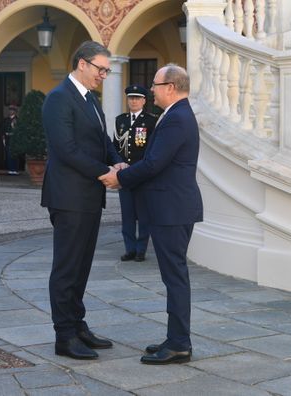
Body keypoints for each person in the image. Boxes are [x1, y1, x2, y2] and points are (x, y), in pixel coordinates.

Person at [99, 64, 203, 365]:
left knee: (175, 278)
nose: (151, 90)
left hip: (172, 209)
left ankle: (180, 344)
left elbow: (155, 163)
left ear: (170, 87)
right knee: (174, 276)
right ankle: (175, 338)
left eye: (155, 85)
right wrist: (128, 169)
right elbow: (156, 162)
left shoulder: (176, 118)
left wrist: (122, 177)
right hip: (171, 207)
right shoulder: (175, 115)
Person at [41, 40, 126, 360]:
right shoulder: (58, 99)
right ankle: (64, 335)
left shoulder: (90, 99)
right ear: (82, 64)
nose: (104, 75)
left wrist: (117, 161)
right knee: (66, 268)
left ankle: (77, 325)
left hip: (89, 196)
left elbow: (102, 140)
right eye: (101, 69)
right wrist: (106, 172)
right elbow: (66, 150)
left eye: (107, 70)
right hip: (68, 196)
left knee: (82, 266)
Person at [113, 85, 157, 262]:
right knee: (127, 214)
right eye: (131, 98)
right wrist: (117, 163)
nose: (134, 101)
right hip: (124, 174)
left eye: (138, 98)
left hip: (142, 175)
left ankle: (141, 249)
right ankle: (129, 249)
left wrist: (140, 169)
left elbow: (152, 150)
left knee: (144, 215)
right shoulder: (120, 120)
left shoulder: (151, 121)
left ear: (144, 101)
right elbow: (116, 146)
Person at [1, 103, 20, 175]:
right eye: (10, 110)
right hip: (7, 139)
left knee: (14, 155)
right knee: (8, 155)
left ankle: (15, 169)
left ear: (15, 111)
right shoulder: (6, 120)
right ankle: (10, 169)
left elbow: (19, 130)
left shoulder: (17, 120)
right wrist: (3, 138)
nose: (11, 111)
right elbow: (3, 129)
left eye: (12, 110)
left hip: (14, 139)